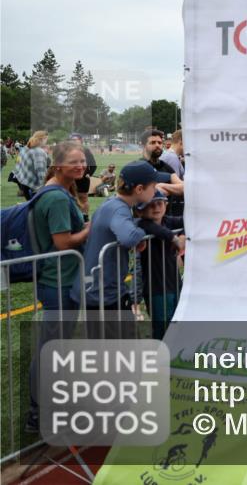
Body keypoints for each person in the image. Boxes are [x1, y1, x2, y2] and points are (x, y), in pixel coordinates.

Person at [24, 141, 92, 433]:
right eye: (74, 162)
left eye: (83, 161)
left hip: (58, 281)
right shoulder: (56, 199)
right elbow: (63, 243)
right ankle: (38, 412)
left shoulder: (58, 192)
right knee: (51, 348)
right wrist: (91, 228)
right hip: (58, 283)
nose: (81, 166)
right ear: (58, 165)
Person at [72, 161, 176, 330]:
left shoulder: (111, 203)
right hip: (104, 291)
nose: (155, 190)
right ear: (140, 189)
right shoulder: (119, 209)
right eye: (153, 186)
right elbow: (130, 237)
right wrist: (144, 229)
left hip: (100, 287)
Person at [134, 190, 185, 339]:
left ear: (166, 204)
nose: (156, 208)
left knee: (178, 321)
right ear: (140, 210)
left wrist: (181, 235)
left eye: (159, 203)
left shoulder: (168, 221)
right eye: (150, 205)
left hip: (174, 282)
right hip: (156, 287)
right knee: (162, 327)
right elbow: (153, 228)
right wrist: (173, 238)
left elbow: (190, 221)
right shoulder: (141, 225)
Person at [140, 129, 184, 216]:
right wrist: (173, 189)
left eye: (159, 143)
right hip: (145, 221)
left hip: (167, 219)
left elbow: (183, 188)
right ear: (143, 145)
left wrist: (162, 186)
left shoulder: (165, 166)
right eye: (153, 142)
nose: (157, 145)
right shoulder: (139, 167)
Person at [12, 130, 50, 200]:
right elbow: (41, 171)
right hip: (34, 187)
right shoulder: (39, 151)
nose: (46, 142)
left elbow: (18, 164)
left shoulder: (25, 148)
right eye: (46, 139)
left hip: (24, 183)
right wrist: (45, 187)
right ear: (42, 139)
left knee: (31, 208)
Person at [68, 133, 98, 219]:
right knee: (71, 197)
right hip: (70, 179)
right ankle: (73, 216)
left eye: (75, 140)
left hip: (83, 179)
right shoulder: (67, 151)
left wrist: (88, 174)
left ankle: (85, 217)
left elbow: (93, 164)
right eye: (71, 140)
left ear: (80, 141)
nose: (72, 142)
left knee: (83, 198)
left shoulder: (85, 151)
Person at [159, 129, 185, 216]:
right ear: (181, 141)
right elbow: (177, 187)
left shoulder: (171, 155)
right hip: (171, 205)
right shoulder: (171, 158)